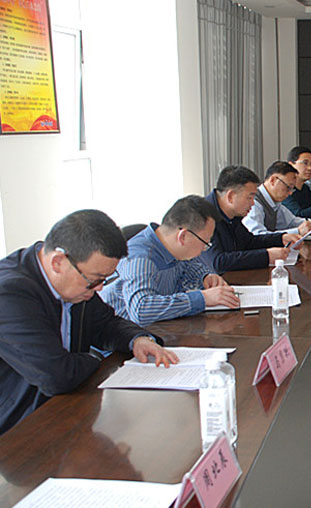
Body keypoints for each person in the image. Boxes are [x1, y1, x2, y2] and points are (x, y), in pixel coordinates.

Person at [0, 210, 178, 434]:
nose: (100, 289)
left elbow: (106, 323)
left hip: (68, 408)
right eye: (95, 281)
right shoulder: (9, 294)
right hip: (19, 427)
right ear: (58, 262)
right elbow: (56, 376)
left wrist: (138, 339)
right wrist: (97, 358)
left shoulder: (76, 283)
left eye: (104, 280)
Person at [101, 195, 240, 326]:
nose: (204, 249)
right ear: (183, 236)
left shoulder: (171, 246)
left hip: (163, 327)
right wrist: (202, 298)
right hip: (125, 335)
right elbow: (141, 309)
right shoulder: (141, 258)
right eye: (205, 242)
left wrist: (205, 277)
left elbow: (189, 265)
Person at [200, 165, 294, 273]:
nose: (253, 203)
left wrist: (281, 239)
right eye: (249, 197)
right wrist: (266, 256)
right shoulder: (203, 216)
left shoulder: (233, 214)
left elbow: (249, 242)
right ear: (230, 196)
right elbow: (218, 262)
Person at [242, 161, 311, 236]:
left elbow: (291, 222)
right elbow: (257, 235)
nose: (290, 193)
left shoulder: (274, 202)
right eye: (288, 187)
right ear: (273, 180)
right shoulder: (254, 203)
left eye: (292, 189)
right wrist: (297, 231)